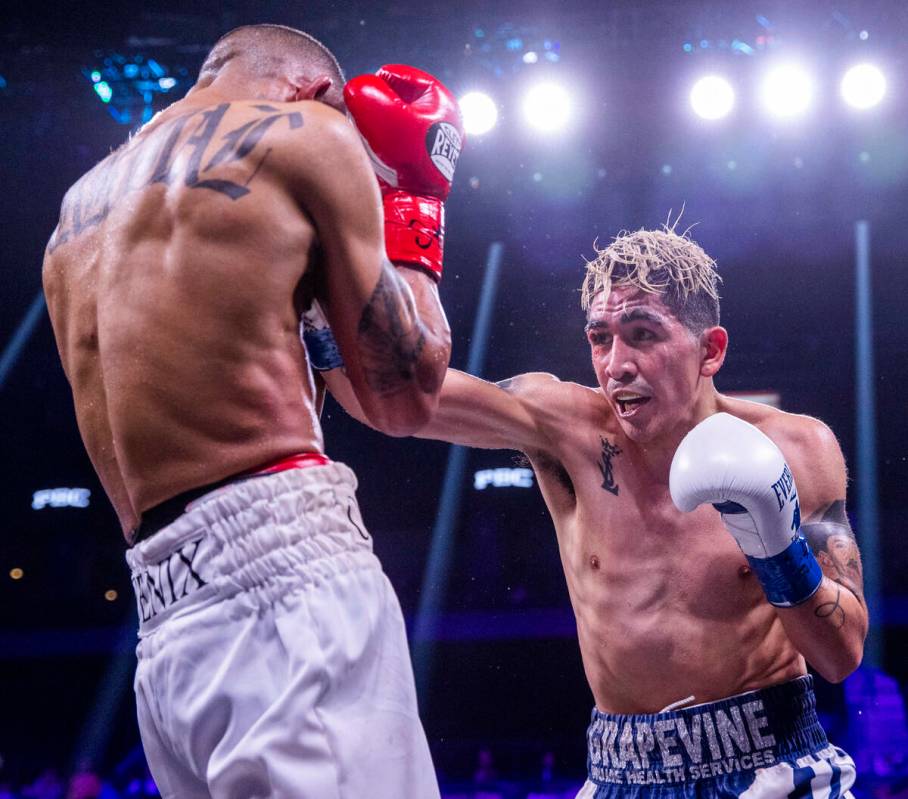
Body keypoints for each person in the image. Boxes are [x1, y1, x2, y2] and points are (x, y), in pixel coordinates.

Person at [42, 22, 465, 799]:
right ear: (314, 91)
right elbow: (406, 396)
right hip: (289, 591)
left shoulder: (75, 214)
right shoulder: (309, 135)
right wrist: (413, 200)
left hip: (165, 636)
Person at [318, 222, 868, 797]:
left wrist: (778, 548)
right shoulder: (567, 432)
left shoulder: (798, 448)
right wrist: (315, 287)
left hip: (770, 764)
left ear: (711, 350)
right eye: (600, 338)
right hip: (620, 772)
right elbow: (383, 398)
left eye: (643, 334)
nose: (616, 364)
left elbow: (841, 655)